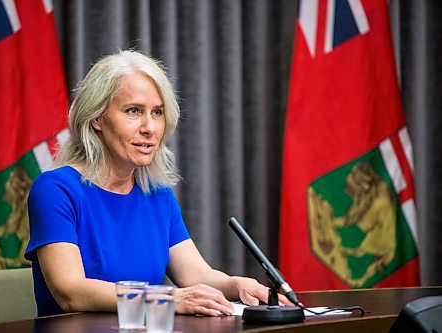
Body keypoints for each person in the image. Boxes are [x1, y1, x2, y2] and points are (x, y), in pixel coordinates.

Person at [25, 49, 289, 317]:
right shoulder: (55, 190)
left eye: (158, 112)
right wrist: (168, 298)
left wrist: (237, 285)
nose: (150, 127)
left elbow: (196, 274)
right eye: (133, 111)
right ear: (97, 118)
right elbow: (71, 292)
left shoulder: (156, 193)